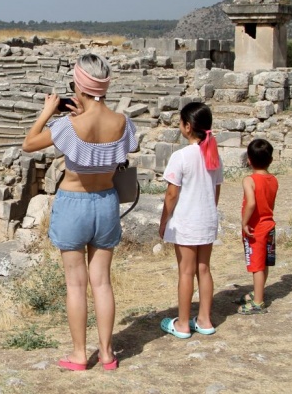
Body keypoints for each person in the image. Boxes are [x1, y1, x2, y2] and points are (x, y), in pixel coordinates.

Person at [22, 53, 138, 371]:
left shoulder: (67, 125)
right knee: (102, 282)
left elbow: (29, 144)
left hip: (74, 202)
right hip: (106, 202)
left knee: (76, 284)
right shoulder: (123, 123)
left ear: (77, 84)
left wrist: (48, 110)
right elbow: (127, 147)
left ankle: (78, 354)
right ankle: (107, 353)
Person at [158, 102, 223, 338]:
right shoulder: (213, 154)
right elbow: (215, 190)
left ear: (187, 126)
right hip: (206, 219)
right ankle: (204, 319)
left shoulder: (181, 156)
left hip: (186, 221)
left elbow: (172, 194)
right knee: (203, 269)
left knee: (186, 271)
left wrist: (164, 220)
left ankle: (183, 323)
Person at [236, 139, 278, 315]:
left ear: (249, 160)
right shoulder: (273, 180)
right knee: (264, 262)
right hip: (269, 225)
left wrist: (244, 222)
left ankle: (258, 302)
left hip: (256, 229)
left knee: (256, 266)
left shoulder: (249, 180)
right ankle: (258, 292)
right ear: (271, 160)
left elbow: (251, 203)